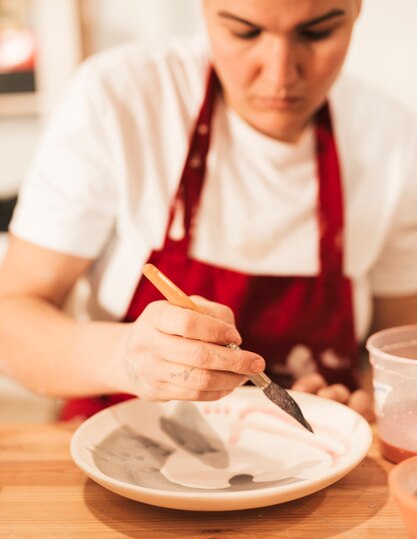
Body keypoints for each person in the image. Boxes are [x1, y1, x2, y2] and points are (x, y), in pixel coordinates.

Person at [0, 0, 416, 423]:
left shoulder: (390, 139)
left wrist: (356, 407)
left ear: (357, 10)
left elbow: (400, 348)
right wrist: (123, 358)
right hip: (120, 451)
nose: (280, 74)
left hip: (310, 459)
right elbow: (10, 319)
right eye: (245, 32)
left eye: (317, 32)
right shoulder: (122, 97)